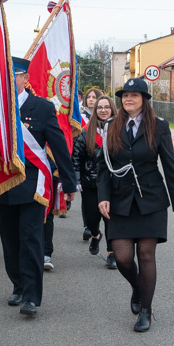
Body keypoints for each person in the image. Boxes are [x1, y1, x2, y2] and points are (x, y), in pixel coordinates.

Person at [97, 78, 174, 332]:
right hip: (120, 201)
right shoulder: (110, 126)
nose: (128, 99)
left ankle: (145, 310)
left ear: (144, 100)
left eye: (134, 96)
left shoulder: (159, 126)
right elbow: (103, 165)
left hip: (151, 199)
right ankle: (138, 288)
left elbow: (170, 166)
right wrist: (102, 196)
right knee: (123, 258)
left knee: (146, 254)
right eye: (125, 96)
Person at [0, 57, 76, 316]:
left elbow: (58, 145)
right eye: (6, 74)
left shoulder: (41, 107)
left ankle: (31, 296)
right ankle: (17, 285)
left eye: (15, 74)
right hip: (3, 182)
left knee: (30, 238)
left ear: (25, 79)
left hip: (32, 183)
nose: (10, 79)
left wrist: (69, 181)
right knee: (9, 239)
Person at [73, 94, 116, 269]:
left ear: (112, 109)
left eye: (107, 107)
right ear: (95, 111)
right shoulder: (86, 131)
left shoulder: (120, 130)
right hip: (90, 183)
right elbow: (76, 157)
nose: (103, 110)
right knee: (91, 220)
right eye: (100, 107)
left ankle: (111, 253)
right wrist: (76, 180)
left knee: (110, 219)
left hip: (113, 184)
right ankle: (96, 235)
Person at [79, 87, 103, 240]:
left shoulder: (109, 120)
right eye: (89, 97)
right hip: (87, 170)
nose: (91, 100)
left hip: (104, 173)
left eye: (95, 97)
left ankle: (110, 250)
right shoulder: (81, 116)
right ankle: (90, 227)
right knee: (89, 205)